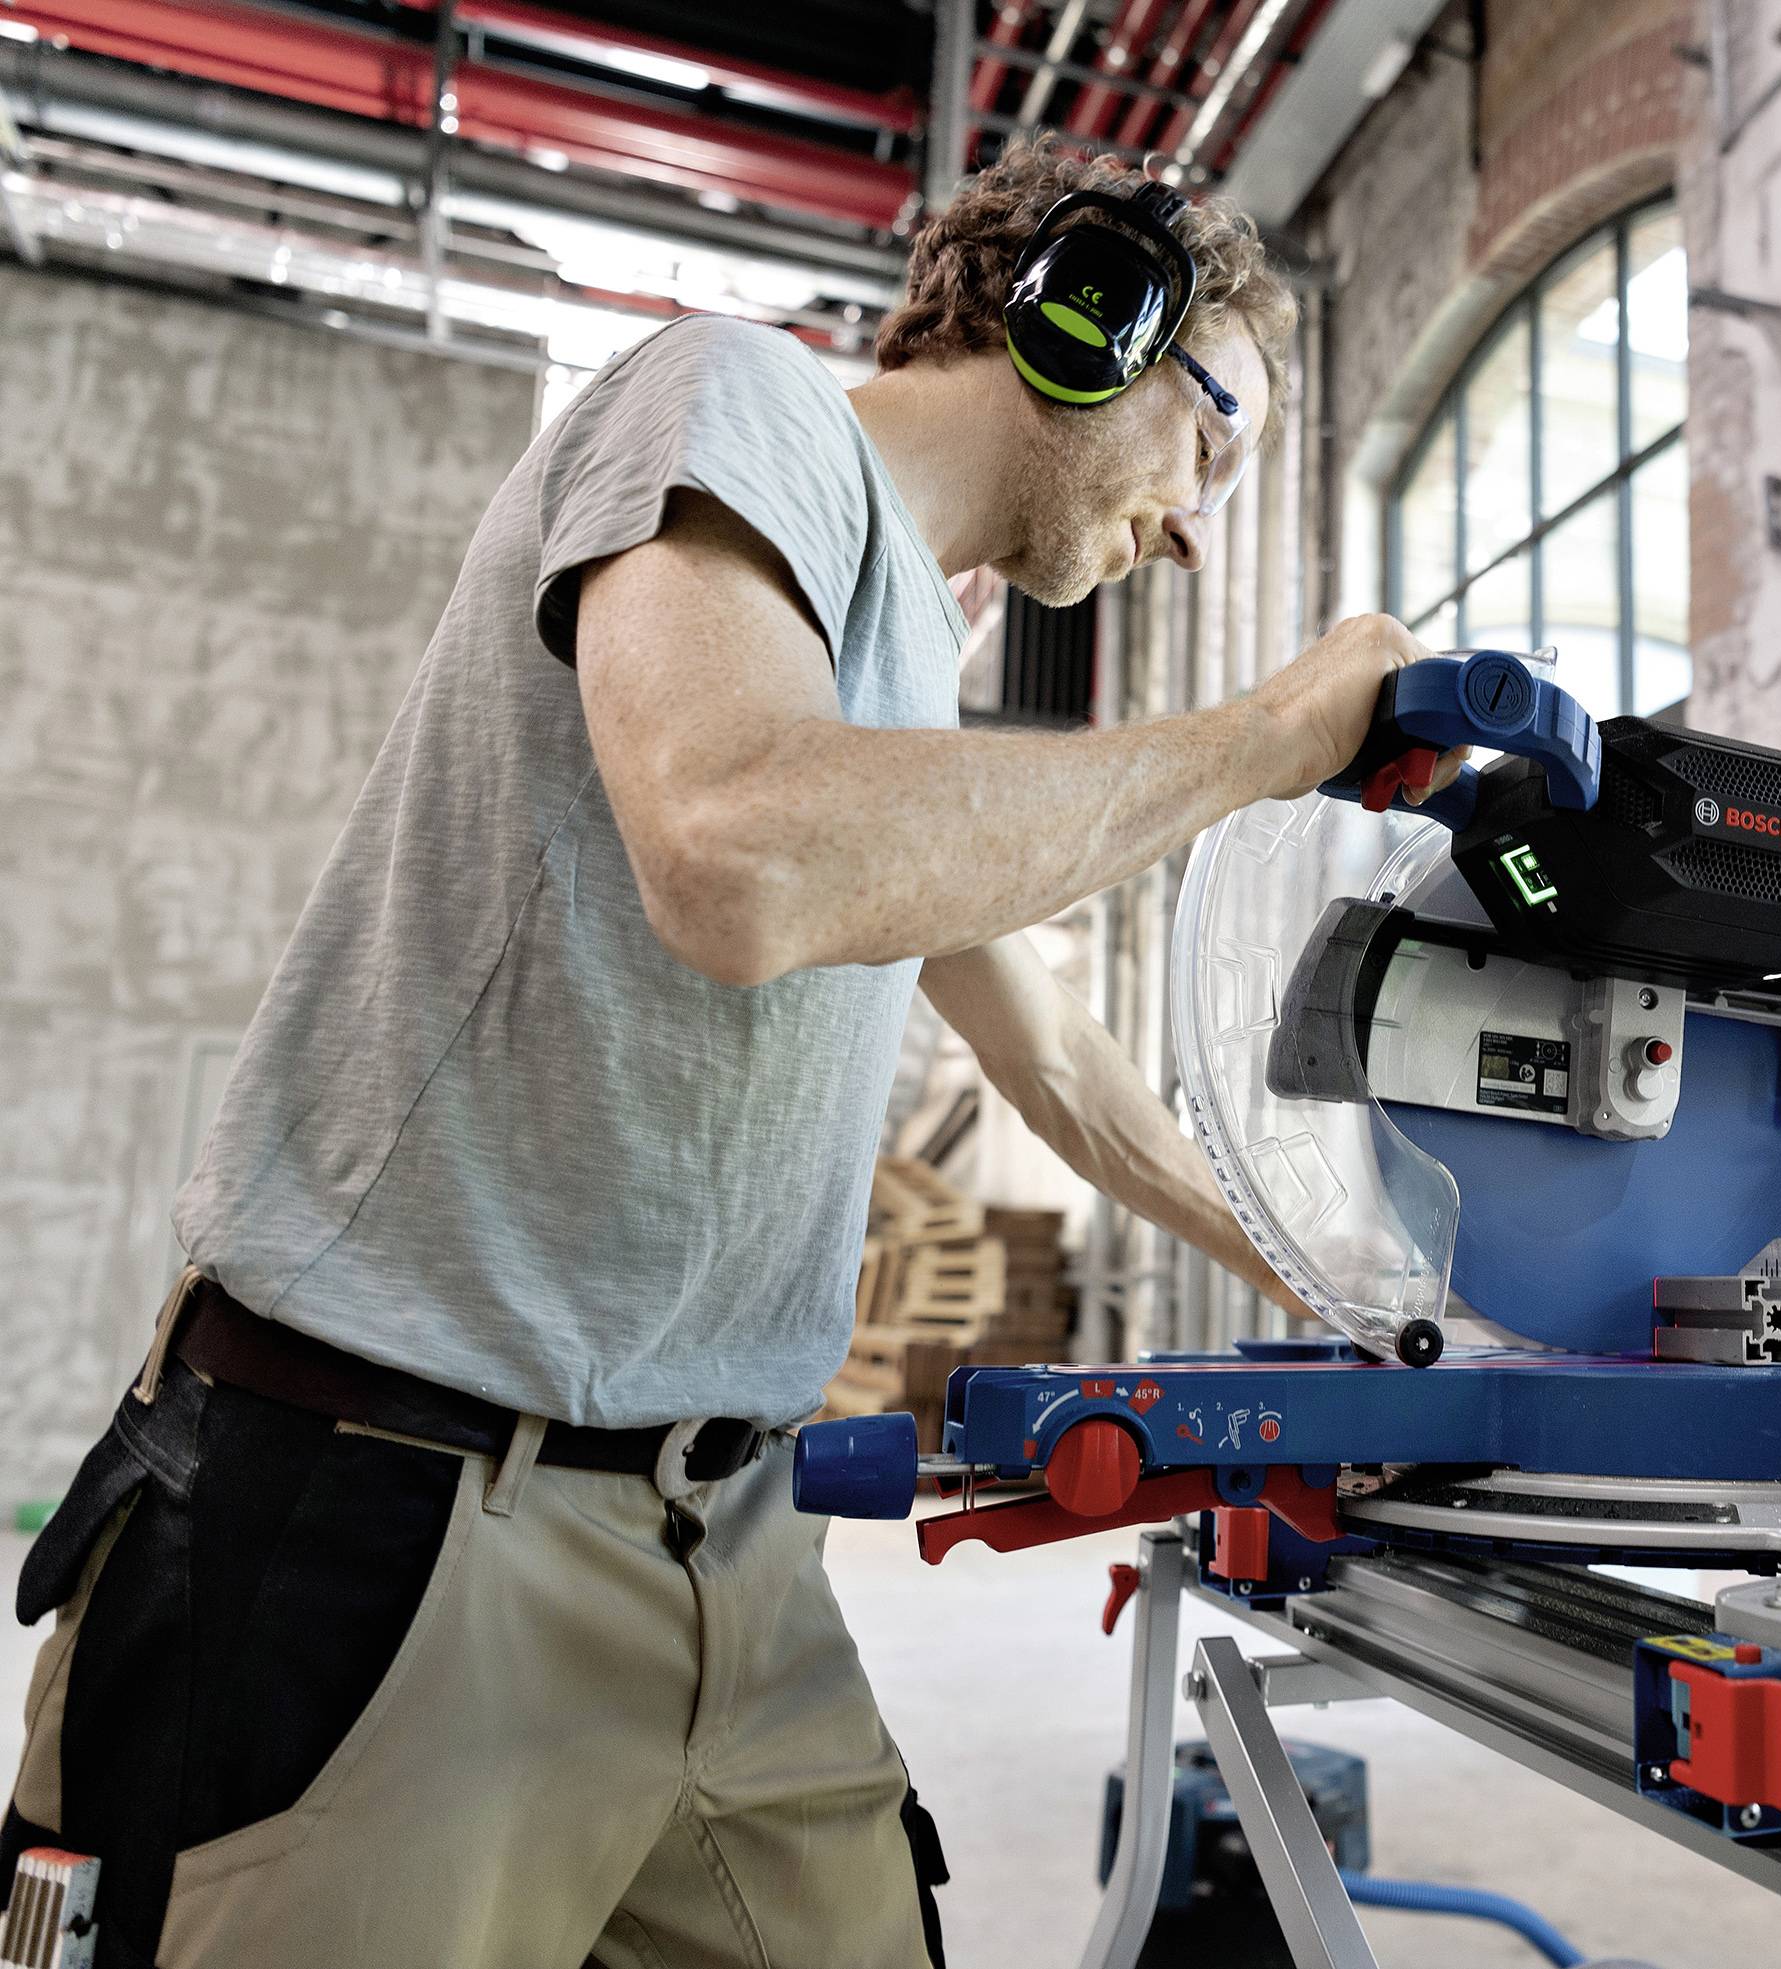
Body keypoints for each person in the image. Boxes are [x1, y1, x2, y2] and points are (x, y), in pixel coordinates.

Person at [2, 136, 1437, 1969]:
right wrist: (1266, 737)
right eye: (1210, 442)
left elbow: (1068, 1077)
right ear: (1091, 314)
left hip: (725, 1546)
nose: (1195, 525)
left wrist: (1384, 1309)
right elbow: (741, 855)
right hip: (401, 1508)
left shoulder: (901, 675)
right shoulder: (732, 399)